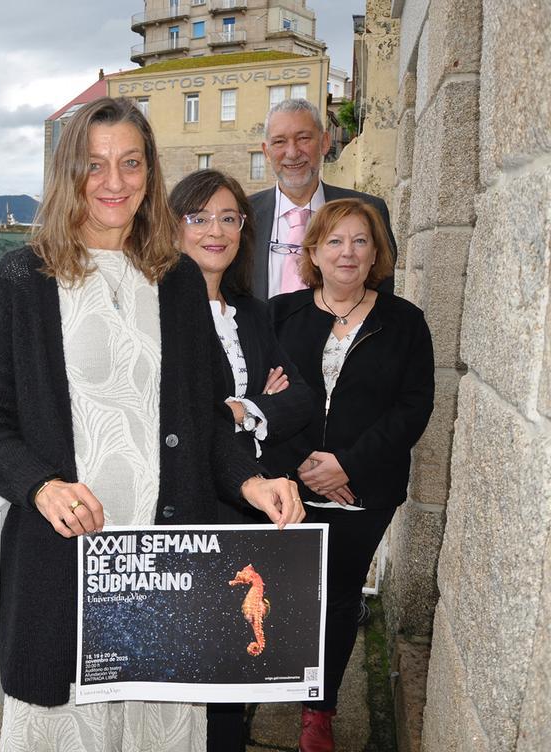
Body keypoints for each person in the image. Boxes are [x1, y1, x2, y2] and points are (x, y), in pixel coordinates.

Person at [0, 96, 305, 752]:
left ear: (150, 175)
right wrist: (41, 486)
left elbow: (203, 418)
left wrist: (253, 483)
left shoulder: (175, 281)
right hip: (67, 572)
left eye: (130, 163)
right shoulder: (22, 279)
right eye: (94, 165)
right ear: (68, 175)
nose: (113, 181)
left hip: (164, 571)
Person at [262, 198, 433, 751]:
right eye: (334, 241)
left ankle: (320, 709)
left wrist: (346, 464)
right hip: (288, 488)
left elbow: (413, 406)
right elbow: (263, 398)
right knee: (279, 595)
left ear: (376, 251)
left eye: (360, 240)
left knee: (337, 600)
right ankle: (252, 688)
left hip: (363, 491)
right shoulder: (279, 315)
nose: (348, 252)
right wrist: (308, 466)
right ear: (312, 251)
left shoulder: (403, 320)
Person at [169, 168, 314, 747]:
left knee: (232, 672)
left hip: (243, 511)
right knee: (179, 666)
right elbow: (173, 414)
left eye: (229, 218)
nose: (215, 230)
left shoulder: (252, 313)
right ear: (172, 227)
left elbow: (302, 397)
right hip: (182, 511)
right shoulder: (158, 313)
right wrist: (238, 405)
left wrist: (243, 409)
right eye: (199, 217)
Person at [249, 99, 397, 301]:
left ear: (325, 142)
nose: (292, 153)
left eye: (303, 138)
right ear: (266, 151)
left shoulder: (369, 211)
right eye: (279, 142)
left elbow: (382, 297)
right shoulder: (243, 215)